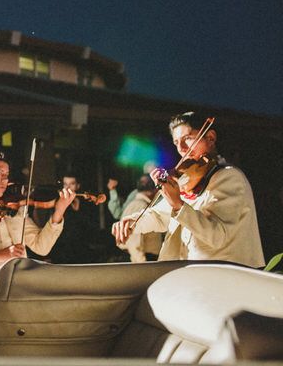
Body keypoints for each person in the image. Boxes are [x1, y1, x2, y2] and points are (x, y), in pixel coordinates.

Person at [112, 112, 265, 267]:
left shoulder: (230, 178)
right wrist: (133, 222)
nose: (182, 149)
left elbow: (218, 236)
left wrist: (179, 205)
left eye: (187, 139)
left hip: (218, 278)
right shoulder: (186, 179)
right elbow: (160, 216)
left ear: (210, 137)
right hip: (185, 276)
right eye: (176, 143)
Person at [0, 150, 75, 272]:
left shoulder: (12, 203)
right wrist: (0, 254)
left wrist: (59, 211)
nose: (5, 180)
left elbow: (41, 246)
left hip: (19, 279)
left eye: (7, 174)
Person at [117, 177, 163, 262]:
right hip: (142, 259)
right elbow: (134, 242)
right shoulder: (140, 206)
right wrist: (142, 265)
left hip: (143, 258)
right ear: (155, 190)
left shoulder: (139, 204)